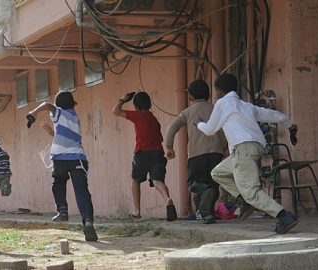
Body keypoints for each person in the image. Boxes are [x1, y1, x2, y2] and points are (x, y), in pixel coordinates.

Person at [196, 73, 299, 234]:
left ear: (219, 90)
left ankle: (284, 215)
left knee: (252, 192)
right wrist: (290, 124)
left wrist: (199, 124)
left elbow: (210, 130)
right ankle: (244, 200)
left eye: (216, 91)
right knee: (218, 173)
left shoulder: (222, 103)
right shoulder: (246, 106)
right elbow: (271, 114)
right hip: (254, 148)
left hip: (242, 149)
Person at [27, 91, 98, 242]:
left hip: (60, 159)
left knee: (58, 182)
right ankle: (88, 222)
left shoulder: (59, 113)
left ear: (59, 105)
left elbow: (47, 105)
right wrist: (51, 132)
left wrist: (33, 113)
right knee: (81, 190)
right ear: (73, 104)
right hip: (77, 159)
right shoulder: (74, 117)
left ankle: (62, 210)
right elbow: (66, 138)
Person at [164, 80, 226, 224]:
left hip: (196, 154)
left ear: (190, 97)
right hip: (215, 153)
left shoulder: (188, 112)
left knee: (194, 183)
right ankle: (208, 215)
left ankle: (205, 193)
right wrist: (223, 146)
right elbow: (222, 130)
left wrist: (169, 147)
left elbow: (172, 127)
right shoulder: (215, 109)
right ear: (209, 95)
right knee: (213, 183)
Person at [112, 91, 177, 221]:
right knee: (158, 181)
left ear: (136, 107)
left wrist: (123, 99)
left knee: (136, 180)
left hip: (142, 153)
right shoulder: (154, 119)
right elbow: (161, 138)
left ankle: (137, 211)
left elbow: (116, 111)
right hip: (158, 153)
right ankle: (167, 199)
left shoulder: (138, 115)